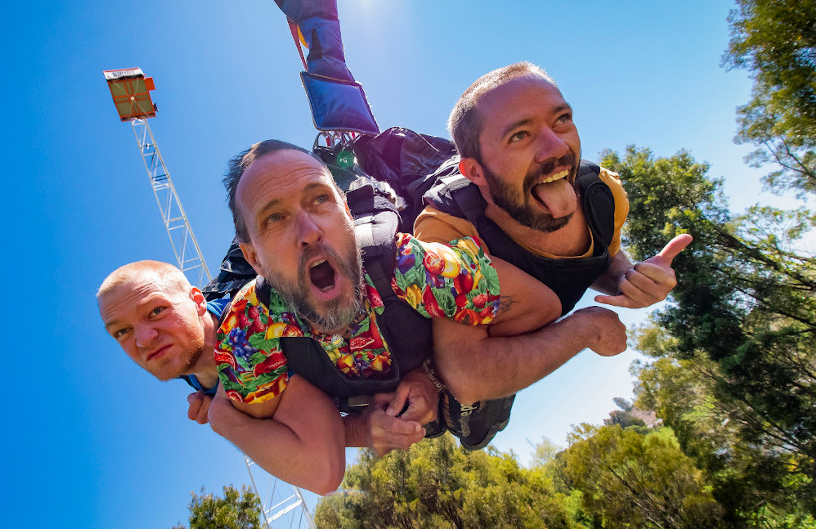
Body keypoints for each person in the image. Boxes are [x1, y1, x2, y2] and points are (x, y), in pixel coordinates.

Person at [207, 140, 628, 494]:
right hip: (373, 409)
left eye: (319, 199)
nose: (309, 231)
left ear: (347, 214)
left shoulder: (409, 266)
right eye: (274, 218)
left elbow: (538, 305)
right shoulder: (246, 337)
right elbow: (297, 445)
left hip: (453, 389)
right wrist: (364, 427)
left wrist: (437, 373)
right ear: (253, 259)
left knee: (474, 426)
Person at [414, 61, 692, 405]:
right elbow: (467, 374)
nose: (558, 148)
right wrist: (583, 330)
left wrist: (630, 280)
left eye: (562, 120)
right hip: (479, 356)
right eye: (520, 135)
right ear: (476, 171)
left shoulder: (603, 193)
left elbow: (604, 258)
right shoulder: (448, 229)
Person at [97, 260, 228, 425]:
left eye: (156, 311)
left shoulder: (261, 311)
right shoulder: (188, 367)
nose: (144, 340)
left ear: (197, 301)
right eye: (122, 331)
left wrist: (236, 422)